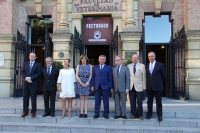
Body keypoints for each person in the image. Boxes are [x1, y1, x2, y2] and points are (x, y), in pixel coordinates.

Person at [145, 51, 166, 121]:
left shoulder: (160, 65)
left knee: (158, 102)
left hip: (158, 87)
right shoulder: (146, 65)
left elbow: (164, 76)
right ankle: (149, 114)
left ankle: (159, 116)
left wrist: (159, 82)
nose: (150, 57)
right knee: (149, 101)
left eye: (152, 56)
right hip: (149, 87)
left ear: (155, 57)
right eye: (149, 56)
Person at [21, 52, 42, 118]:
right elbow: (22, 72)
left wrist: (30, 78)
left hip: (34, 83)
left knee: (33, 98)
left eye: (33, 56)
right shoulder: (25, 64)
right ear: (29, 57)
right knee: (25, 98)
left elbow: (39, 73)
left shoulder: (38, 64)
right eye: (31, 56)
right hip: (26, 83)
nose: (32, 57)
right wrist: (26, 78)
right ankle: (25, 111)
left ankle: (33, 112)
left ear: (35, 57)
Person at [91, 54, 112, 119]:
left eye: (103, 59)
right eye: (100, 59)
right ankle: (96, 113)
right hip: (97, 86)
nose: (101, 60)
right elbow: (93, 77)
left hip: (105, 87)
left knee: (106, 101)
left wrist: (109, 86)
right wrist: (92, 85)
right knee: (97, 101)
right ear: (98, 60)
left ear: (105, 60)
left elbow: (110, 78)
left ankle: (106, 114)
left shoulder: (108, 67)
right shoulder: (95, 67)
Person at [127, 54, 146, 120]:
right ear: (132, 59)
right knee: (132, 101)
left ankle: (140, 114)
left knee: (139, 101)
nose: (134, 59)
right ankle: (134, 114)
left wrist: (144, 86)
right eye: (133, 58)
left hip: (139, 86)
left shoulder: (142, 66)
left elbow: (144, 77)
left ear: (138, 59)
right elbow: (128, 77)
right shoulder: (128, 66)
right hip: (131, 86)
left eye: (136, 58)